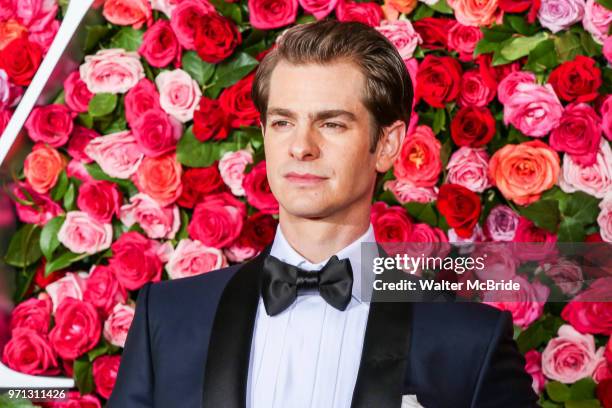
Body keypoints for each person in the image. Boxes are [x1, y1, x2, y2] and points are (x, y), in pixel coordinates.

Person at [108, 19, 538, 408]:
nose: (301, 147)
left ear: (387, 145)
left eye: (331, 123)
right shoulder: (167, 316)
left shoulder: (469, 342)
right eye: (282, 123)